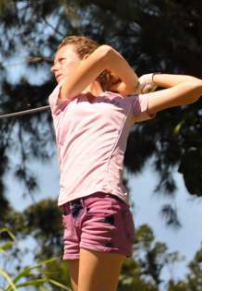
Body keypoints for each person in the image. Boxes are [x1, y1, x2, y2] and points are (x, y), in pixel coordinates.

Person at [48, 35, 202, 291]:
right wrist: (131, 84)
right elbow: (106, 57)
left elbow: (195, 87)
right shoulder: (62, 98)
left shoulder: (125, 105)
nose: (54, 67)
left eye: (62, 60)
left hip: (102, 203)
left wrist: (148, 79)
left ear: (87, 61)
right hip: (70, 211)